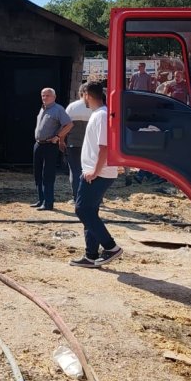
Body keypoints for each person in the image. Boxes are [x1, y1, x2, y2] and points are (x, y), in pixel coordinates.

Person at [71, 81, 123, 268]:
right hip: (95, 172)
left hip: (97, 173)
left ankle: (111, 247)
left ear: (86, 94)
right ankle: (91, 255)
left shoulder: (101, 115)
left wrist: (95, 171)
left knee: (82, 210)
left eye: (81, 95)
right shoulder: (98, 114)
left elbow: (104, 147)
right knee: (90, 213)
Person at [32, 87, 73, 210]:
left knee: (48, 174)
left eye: (47, 95)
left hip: (50, 146)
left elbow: (69, 124)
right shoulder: (43, 108)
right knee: (38, 173)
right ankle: (41, 199)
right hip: (38, 144)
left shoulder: (58, 109)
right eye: (43, 95)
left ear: (54, 97)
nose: (44, 97)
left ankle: (48, 203)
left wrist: (58, 137)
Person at [64, 83, 93, 205]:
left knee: (75, 171)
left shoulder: (72, 106)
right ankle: (95, 198)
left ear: (80, 93)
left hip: (74, 143)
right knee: (92, 171)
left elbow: (65, 125)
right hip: (91, 144)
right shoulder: (94, 107)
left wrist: (62, 140)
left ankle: (77, 197)